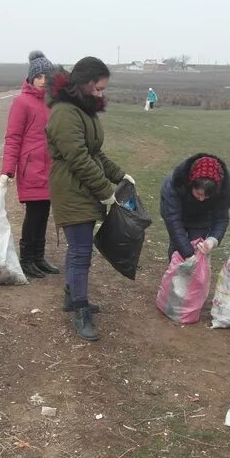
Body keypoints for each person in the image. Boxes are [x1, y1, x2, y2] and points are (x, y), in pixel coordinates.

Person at [45, 57, 135, 342]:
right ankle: (80, 310)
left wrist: (121, 176)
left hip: (83, 187)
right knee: (80, 251)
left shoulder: (84, 110)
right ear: (83, 83)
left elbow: (96, 153)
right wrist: (105, 191)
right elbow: (79, 158)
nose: (100, 94)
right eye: (97, 88)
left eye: (102, 90)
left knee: (79, 249)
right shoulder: (64, 113)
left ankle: (73, 296)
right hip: (71, 188)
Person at [0, 50, 58, 279]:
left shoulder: (53, 103)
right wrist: (7, 170)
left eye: (47, 76)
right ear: (32, 77)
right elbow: (13, 137)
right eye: (40, 76)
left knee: (44, 213)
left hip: (51, 168)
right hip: (31, 168)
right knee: (34, 214)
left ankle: (39, 257)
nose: (44, 80)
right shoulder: (21, 102)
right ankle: (26, 260)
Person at [159, 153, 230, 261]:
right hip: (176, 212)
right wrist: (188, 254)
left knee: (199, 247)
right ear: (191, 184)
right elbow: (173, 219)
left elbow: (221, 217)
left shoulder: (225, 188)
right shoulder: (175, 183)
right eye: (198, 194)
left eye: (207, 196)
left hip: (203, 216)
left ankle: (195, 275)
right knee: (178, 247)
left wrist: (212, 240)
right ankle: (175, 273)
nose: (202, 199)